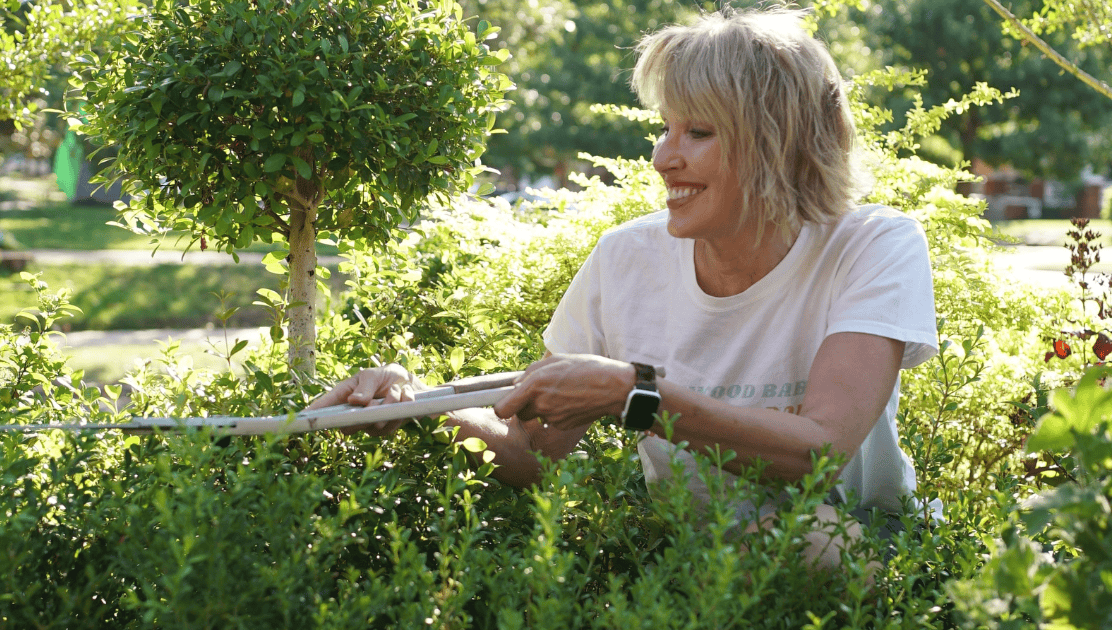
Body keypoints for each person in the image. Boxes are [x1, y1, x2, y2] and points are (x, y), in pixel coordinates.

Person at [306, 6, 937, 569]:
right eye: (665, 128)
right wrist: (410, 410)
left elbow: (819, 455)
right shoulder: (627, 258)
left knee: (815, 539)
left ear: (782, 141)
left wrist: (632, 394)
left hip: (867, 545)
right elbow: (531, 448)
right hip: (690, 569)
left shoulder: (873, 245)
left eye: (699, 132)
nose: (663, 157)